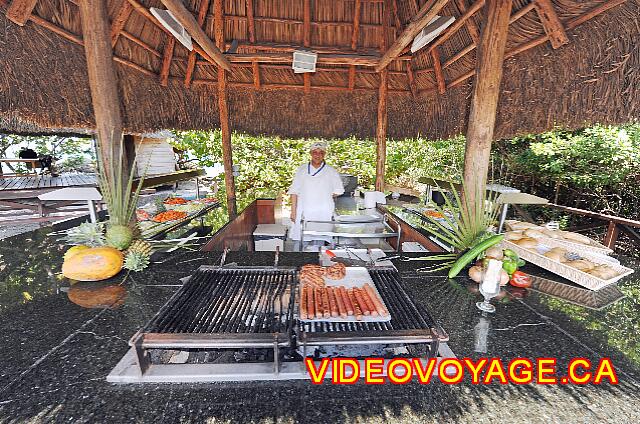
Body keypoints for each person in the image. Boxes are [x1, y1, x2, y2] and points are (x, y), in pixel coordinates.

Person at [288, 141, 344, 241]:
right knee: (303, 240)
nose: (317, 155)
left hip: (323, 211)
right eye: (315, 152)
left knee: (322, 239)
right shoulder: (301, 170)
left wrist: (323, 195)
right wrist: (293, 211)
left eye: (321, 153)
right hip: (304, 209)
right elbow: (294, 191)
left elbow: (338, 190)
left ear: (324, 154)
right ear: (310, 153)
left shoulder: (331, 171)